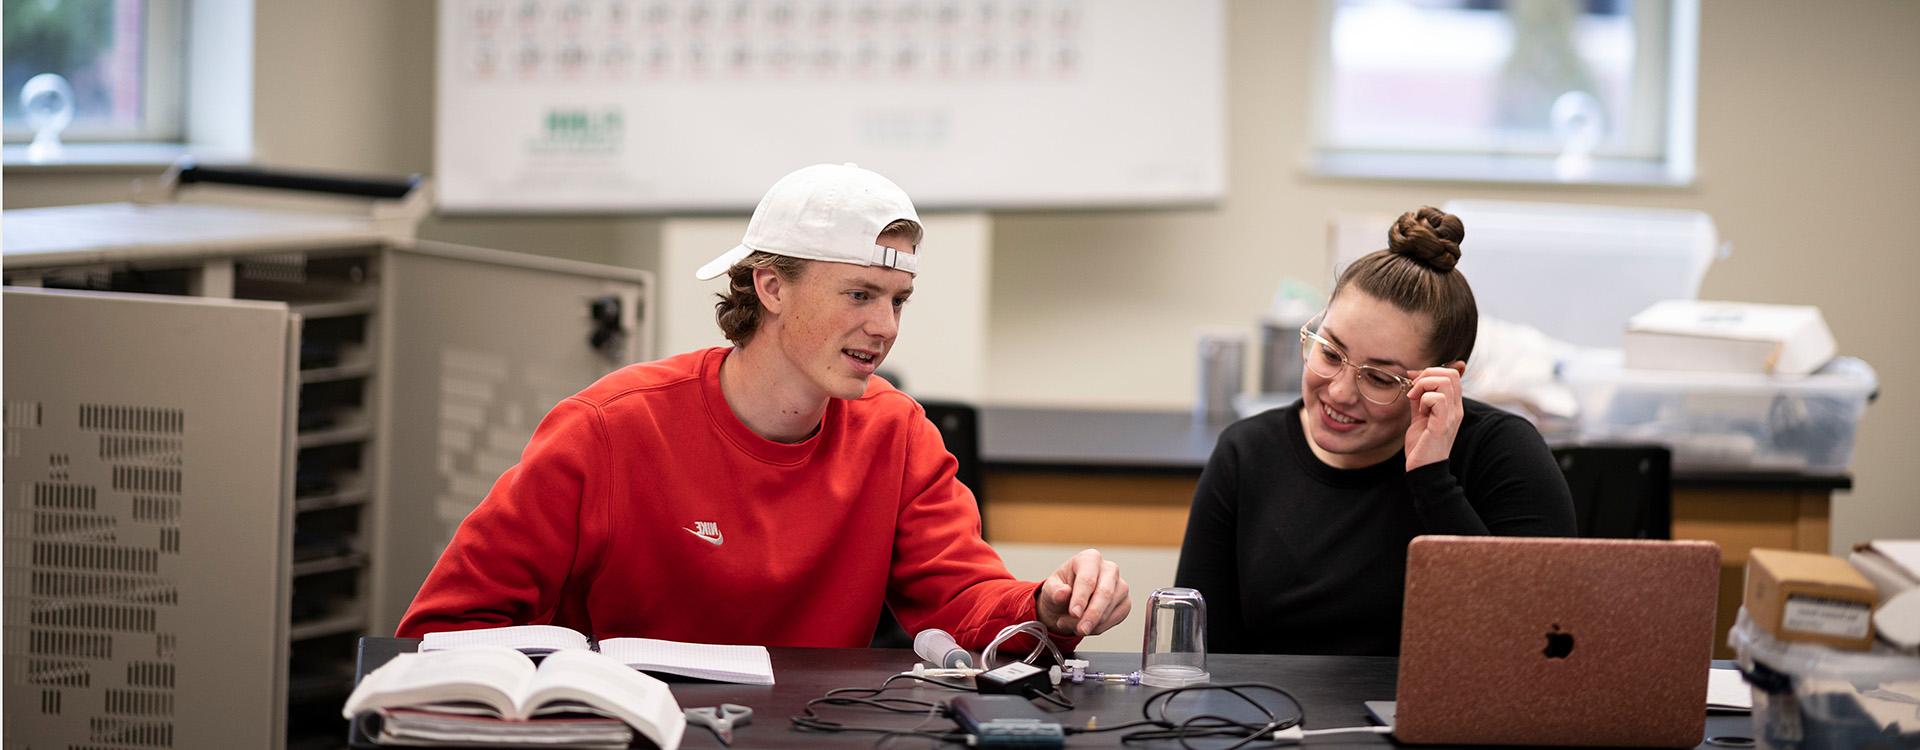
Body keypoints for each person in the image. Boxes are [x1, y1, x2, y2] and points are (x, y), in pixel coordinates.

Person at [398, 163, 1130, 648]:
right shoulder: (610, 429)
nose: (885, 327)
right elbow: (446, 627)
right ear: (771, 288)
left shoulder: (896, 433)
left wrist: (1043, 607)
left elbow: (965, 600)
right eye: (858, 295)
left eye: (897, 300)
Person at [1173, 206, 1575, 656]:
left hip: (1452, 723)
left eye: (1381, 379)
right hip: (1279, 722)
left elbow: (1535, 645)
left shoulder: (1502, 454)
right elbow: (1198, 658)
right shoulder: (1247, 453)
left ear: (1444, 379)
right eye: (1329, 352)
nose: (1340, 393)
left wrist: (1432, 479)